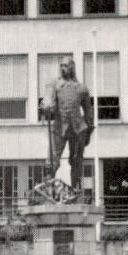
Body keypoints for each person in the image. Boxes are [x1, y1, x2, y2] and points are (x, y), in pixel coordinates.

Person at [40, 56, 94, 188]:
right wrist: (47, 106)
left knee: (76, 161)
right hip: (59, 128)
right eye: (61, 66)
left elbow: (88, 113)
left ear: (72, 67)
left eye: (66, 66)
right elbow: (48, 100)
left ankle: (76, 189)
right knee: (51, 160)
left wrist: (88, 132)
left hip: (78, 129)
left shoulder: (82, 89)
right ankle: (48, 189)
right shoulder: (54, 85)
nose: (63, 68)